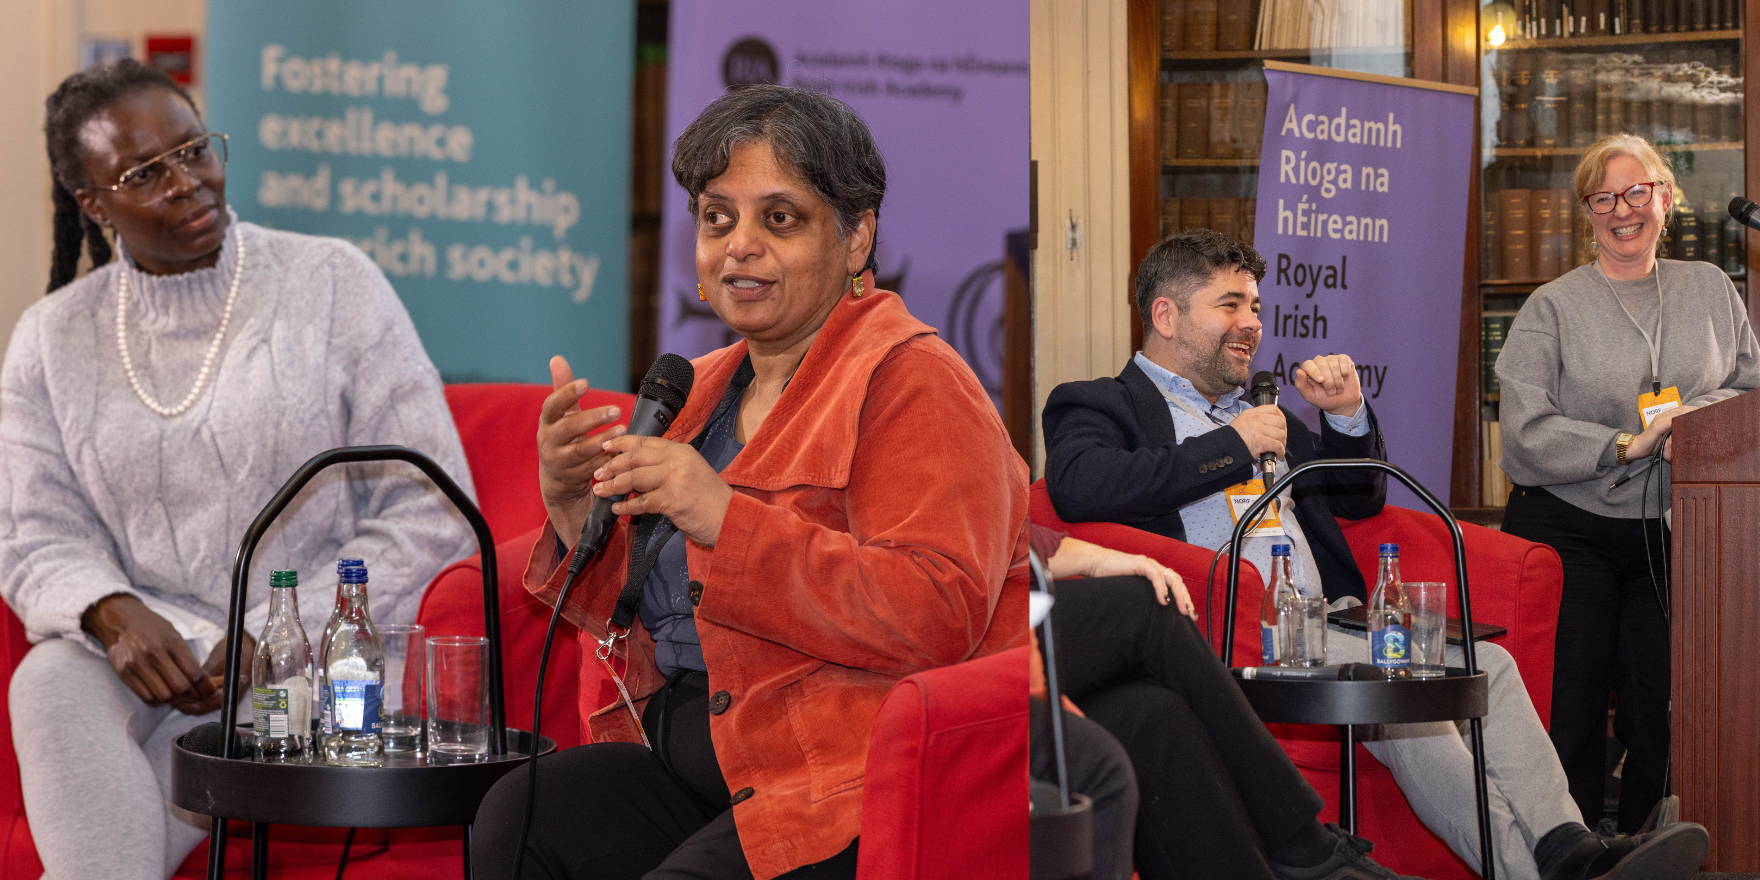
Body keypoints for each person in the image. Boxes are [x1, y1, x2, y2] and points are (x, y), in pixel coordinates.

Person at [469, 84, 1028, 880]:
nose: (739, 245)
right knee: (519, 817)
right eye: (717, 217)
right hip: (693, 752)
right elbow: (640, 610)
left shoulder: (915, 380)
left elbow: (938, 611)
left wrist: (725, 518)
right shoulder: (694, 389)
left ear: (857, 236)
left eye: (780, 218)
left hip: (838, 772)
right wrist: (568, 506)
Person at [1042, 229, 1708, 880]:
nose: (1251, 323)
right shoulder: (1102, 405)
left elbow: (1356, 499)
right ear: (1165, 314)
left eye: (1256, 307)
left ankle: (1572, 850)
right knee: (1408, 705)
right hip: (1235, 635)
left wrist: (1346, 415)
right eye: (1229, 305)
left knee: (1489, 665)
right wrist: (1232, 448)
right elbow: (1081, 487)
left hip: (1333, 620)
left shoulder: (1260, 411)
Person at [0, 59, 476, 880]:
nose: (187, 183)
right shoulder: (49, 337)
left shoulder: (332, 282)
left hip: (313, 649)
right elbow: (35, 531)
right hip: (146, 649)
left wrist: (271, 633)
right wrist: (108, 612)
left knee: (115, 841)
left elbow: (429, 510)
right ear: (92, 203)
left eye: (195, 151)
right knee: (46, 682)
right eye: (145, 173)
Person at [1496, 134, 1760, 832]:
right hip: (1567, 528)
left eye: (1637, 192)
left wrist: (1690, 422)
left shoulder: (1708, 287)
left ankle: (1654, 846)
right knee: (1571, 708)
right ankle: (1573, 849)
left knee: (1666, 707)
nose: (1623, 209)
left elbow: (1748, 388)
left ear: (1666, 198)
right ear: (1587, 212)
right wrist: (1625, 442)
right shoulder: (1551, 308)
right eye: (1604, 197)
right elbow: (1523, 437)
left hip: (1679, 529)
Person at [1032, 524, 1426, 880]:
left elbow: (1009, 534)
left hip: (1017, 593)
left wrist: (1100, 559)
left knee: (1153, 713)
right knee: (1149, 603)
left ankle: (1296, 858)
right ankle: (1303, 847)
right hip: (993, 629)